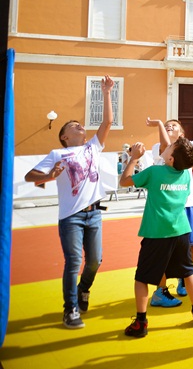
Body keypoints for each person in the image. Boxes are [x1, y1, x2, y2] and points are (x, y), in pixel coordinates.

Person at [25, 75, 115, 329]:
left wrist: (107, 92)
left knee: (95, 261)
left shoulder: (93, 147)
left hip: (94, 214)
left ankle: (82, 289)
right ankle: (70, 309)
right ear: (63, 136)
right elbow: (30, 175)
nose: (79, 126)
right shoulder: (58, 153)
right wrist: (49, 175)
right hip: (71, 217)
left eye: (79, 124)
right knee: (74, 261)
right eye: (73, 125)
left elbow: (107, 121)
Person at [119, 138, 193, 337]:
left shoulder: (154, 172)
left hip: (156, 232)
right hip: (181, 231)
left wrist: (133, 159)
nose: (166, 145)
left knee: (142, 277)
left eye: (169, 146)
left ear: (170, 157)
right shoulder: (185, 174)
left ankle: (140, 322)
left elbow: (124, 182)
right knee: (188, 272)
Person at [145, 101, 193, 305]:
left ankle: (181, 277)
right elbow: (166, 148)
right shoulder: (157, 148)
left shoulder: (190, 146)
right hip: (166, 208)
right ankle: (160, 291)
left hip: (187, 206)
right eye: (167, 125)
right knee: (162, 251)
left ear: (183, 133)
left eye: (174, 125)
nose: (170, 126)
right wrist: (161, 124)